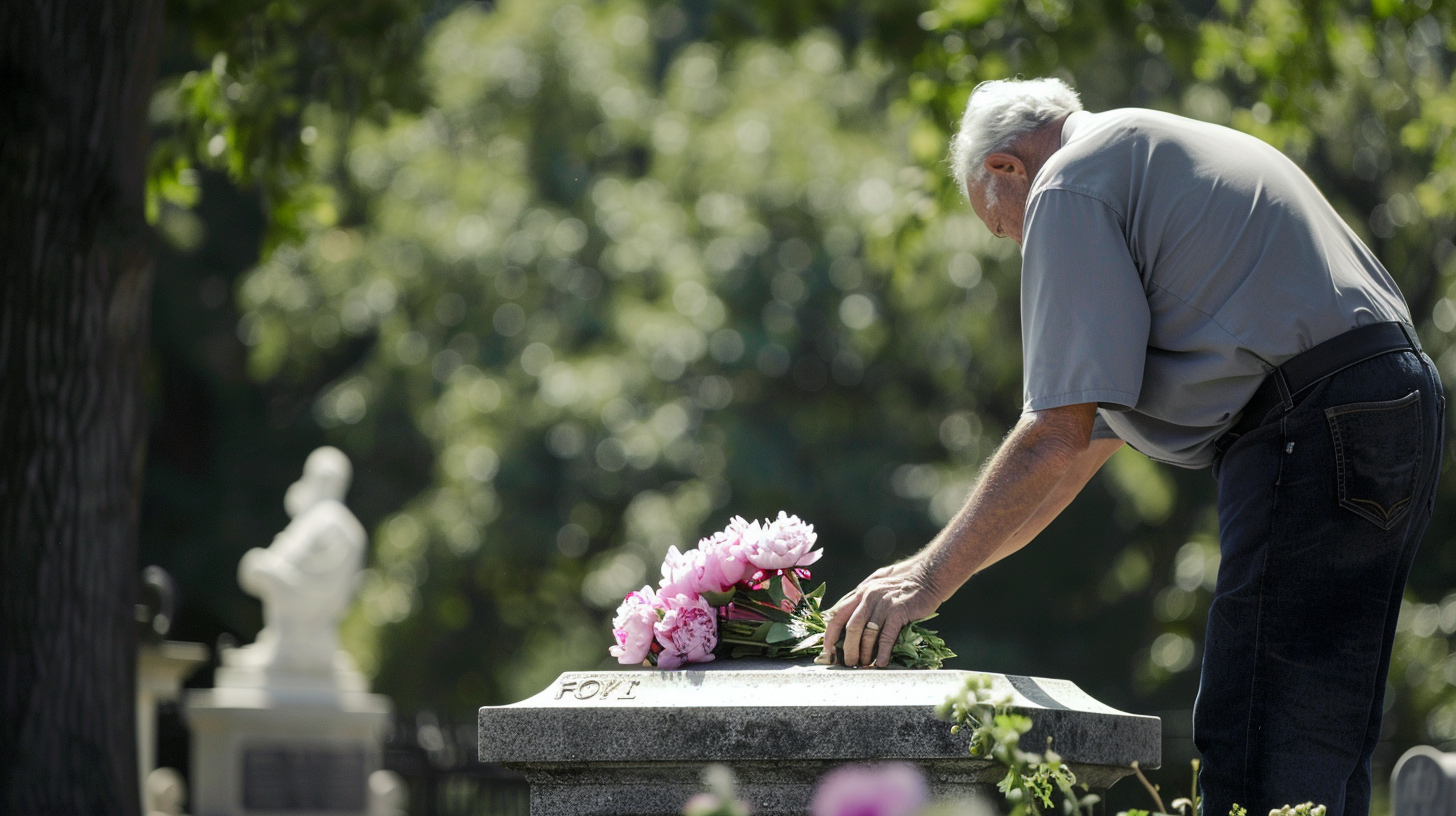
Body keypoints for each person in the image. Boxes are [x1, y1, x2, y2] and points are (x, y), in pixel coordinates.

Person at [818, 77, 1445, 816]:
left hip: (1307, 424)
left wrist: (924, 580)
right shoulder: (1144, 152)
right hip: (1393, 402)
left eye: (1004, 229)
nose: (1021, 247)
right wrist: (935, 575)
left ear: (1007, 169)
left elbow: (1053, 435)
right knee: (1320, 736)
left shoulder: (1067, 184)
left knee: (1256, 741)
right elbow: (1078, 450)